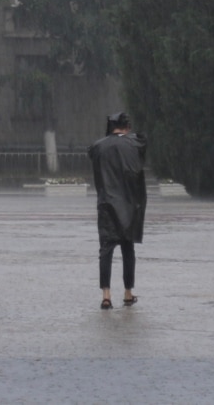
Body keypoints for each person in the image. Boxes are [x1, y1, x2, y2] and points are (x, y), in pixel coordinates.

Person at [88, 111, 147, 310]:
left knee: (105, 251)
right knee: (127, 250)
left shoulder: (98, 146)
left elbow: (93, 156)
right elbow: (142, 145)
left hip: (106, 205)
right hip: (129, 205)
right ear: (127, 127)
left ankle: (106, 295)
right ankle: (128, 293)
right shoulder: (135, 144)